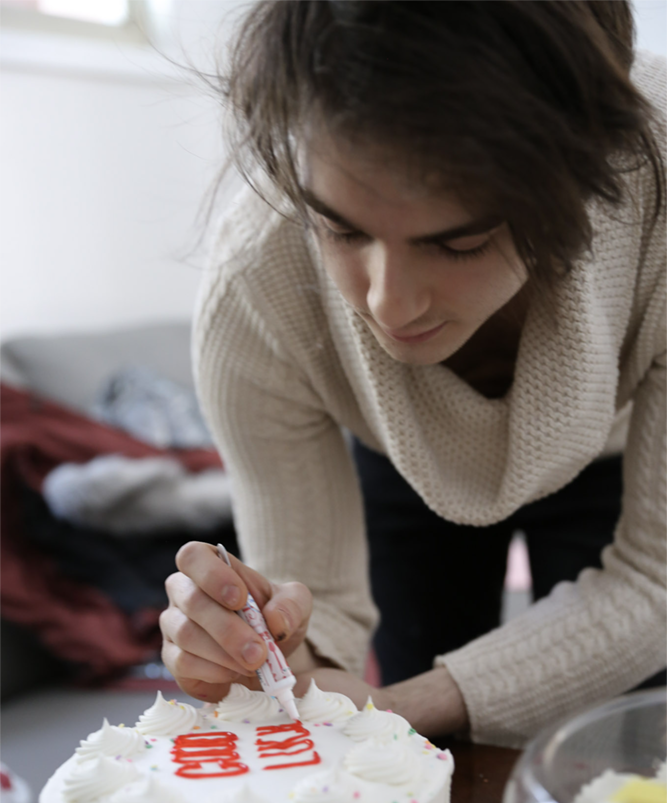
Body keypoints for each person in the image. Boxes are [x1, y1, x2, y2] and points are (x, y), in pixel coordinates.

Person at [160, 0, 667, 748]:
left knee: (616, 756)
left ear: (580, 188)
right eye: (340, 228)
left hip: (617, 457)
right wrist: (264, 656)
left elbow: (655, 582)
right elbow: (312, 639)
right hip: (398, 463)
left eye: (458, 242)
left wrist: (400, 707)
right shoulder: (255, 289)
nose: (386, 303)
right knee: (422, 774)